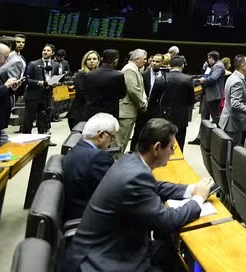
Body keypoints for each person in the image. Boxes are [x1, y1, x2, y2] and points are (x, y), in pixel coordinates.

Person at [61, 119, 213, 272]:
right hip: (103, 260)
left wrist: (191, 189)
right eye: (171, 148)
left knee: (171, 250)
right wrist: (198, 199)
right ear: (157, 148)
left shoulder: (130, 160)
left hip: (118, 244)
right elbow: (167, 221)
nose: (172, 153)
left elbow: (156, 186)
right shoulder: (137, 176)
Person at [62, 113, 118, 220]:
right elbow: (116, 191)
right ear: (100, 135)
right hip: (91, 218)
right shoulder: (98, 158)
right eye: (111, 138)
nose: (111, 143)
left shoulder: (77, 148)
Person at [219, 54, 246, 147]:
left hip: (230, 120)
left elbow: (245, 91)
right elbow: (235, 104)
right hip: (233, 123)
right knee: (232, 151)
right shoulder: (237, 81)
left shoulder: (234, 77)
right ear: (243, 66)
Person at [152, 56, 195, 149]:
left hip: (163, 117)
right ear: (182, 65)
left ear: (169, 65)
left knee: (162, 143)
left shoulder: (160, 79)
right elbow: (192, 101)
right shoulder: (188, 79)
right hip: (181, 117)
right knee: (179, 145)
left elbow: (152, 100)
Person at [22, 44, 60, 134]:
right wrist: (38, 82)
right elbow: (26, 79)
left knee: (44, 120)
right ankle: (26, 138)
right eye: (44, 50)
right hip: (33, 96)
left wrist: (56, 83)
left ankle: (42, 138)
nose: (45, 52)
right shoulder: (33, 64)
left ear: (53, 53)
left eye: (48, 50)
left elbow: (56, 78)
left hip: (47, 96)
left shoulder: (55, 65)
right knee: (28, 120)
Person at [83, 49, 126, 121]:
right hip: (110, 115)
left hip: (92, 114)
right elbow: (122, 94)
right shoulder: (118, 75)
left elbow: (86, 93)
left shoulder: (89, 75)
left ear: (102, 59)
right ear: (116, 61)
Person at [117, 49, 148, 150]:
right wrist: (143, 104)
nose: (146, 61)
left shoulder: (135, 69)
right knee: (119, 143)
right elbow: (133, 90)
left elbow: (139, 89)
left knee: (123, 142)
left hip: (129, 112)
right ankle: (115, 160)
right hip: (126, 112)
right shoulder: (130, 69)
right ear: (137, 59)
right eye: (144, 59)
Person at [68, 50, 99, 130]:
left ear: (98, 61)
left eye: (94, 59)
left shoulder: (99, 74)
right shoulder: (81, 74)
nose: (92, 61)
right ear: (85, 61)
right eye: (89, 59)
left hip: (92, 112)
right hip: (80, 113)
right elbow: (81, 93)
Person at [200, 51, 226, 122]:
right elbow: (207, 75)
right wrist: (205, 68)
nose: (208, 60)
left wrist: (203, 80)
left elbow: (213, 78)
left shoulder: (218, 66)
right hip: (209, 94)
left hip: (214, 95)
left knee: (215, 117)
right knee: (204, 115)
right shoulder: (214, 65)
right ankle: (203, 129)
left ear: (211, 58)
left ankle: (220, 129)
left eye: (208, 58)